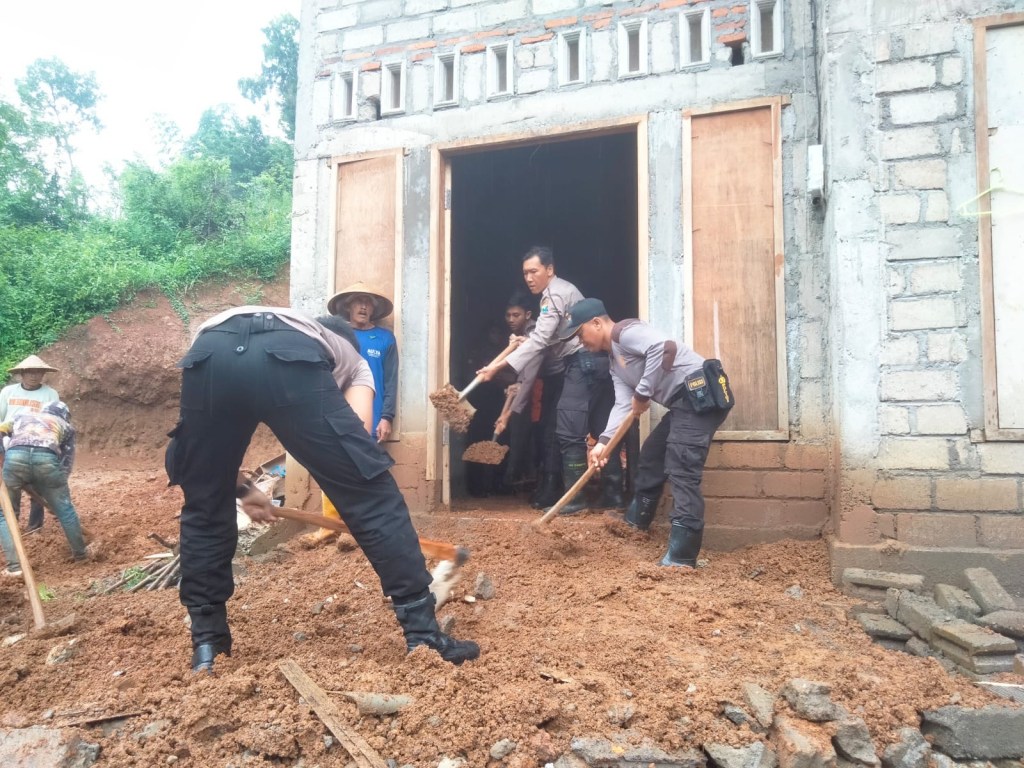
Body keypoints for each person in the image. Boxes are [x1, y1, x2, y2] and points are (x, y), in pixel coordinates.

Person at [164, 306, 478, 672]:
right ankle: (424, 636)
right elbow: (358, 445)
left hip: (209, 352)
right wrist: (350, 485)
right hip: (285, 358)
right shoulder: (353, 359)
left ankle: (207, 645)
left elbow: (207, 471)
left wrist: (244, 489)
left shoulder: (246, 329)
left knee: (204, 504)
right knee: (373, 496)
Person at [562, 298, 731, 568]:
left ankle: (682, 556)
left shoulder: (624, 332)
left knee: (682, 466)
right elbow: (622, 405)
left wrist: (643, 392)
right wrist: (603, 443)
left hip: (699, 394)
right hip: (681, 404)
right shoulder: (614, 363)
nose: (580, 342)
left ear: (596, 323)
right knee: (652, 455)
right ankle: (636, 522)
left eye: (580, 333)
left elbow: (663, 347)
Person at [477, 247, 624, 514]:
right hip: (597, 363)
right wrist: (525, 342)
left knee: (567, 431)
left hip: (581, 364)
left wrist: (498, 367)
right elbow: (553, 335)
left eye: (534, 271)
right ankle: (613, 496)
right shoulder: (561, 291)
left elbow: (542, 339)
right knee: (604, 427)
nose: (529, 278)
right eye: (525, 273)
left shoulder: (553, 295)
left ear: (550, 270)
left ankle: (574, 499)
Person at [0, 401, 88, 576]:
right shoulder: (66, 427)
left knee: (6, 513)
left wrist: (3, 455)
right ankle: (81, 555)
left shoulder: (21, 416)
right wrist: (57, 494)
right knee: (66, 510)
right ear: (65, 416)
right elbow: (66, 463)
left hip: (15, 457)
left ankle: (15, 567)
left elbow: (1, 430)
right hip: (47, 460)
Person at [328, 283, 398, 444]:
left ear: (374, 309)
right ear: (348, 307)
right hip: (339, 417)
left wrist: (386, 417)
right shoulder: (336, 336)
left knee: (367, 467)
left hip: (373, 419)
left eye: (368, 303)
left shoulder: (385, 338)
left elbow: (391, 381)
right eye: (358, 301)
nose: (363, 306)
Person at [0, 355, 60, 533]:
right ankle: (11, 526)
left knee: (37, 487)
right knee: (11, 488)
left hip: (38, 444)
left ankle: (35, 526)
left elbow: (54, 421)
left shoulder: (50, 394)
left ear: (43, 374)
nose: (34, 376)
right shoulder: (8, 392)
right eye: (30, 372)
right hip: (10, 444)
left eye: (38, 372)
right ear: (21, 374)